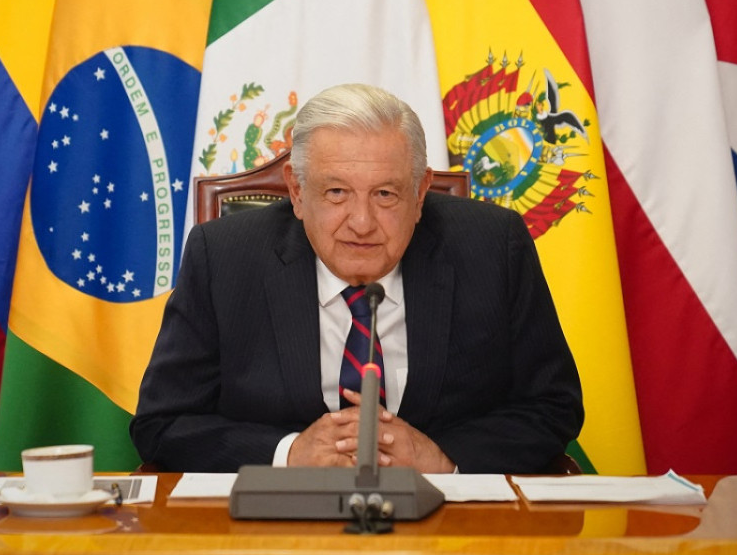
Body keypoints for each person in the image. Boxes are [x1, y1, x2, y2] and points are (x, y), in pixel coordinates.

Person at [131, 83, 583, 473]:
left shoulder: (492, 247)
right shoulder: (225, 256)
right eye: (336, 193)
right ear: (296, 190)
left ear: (421, 191)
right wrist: (289, 453)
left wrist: (444, 457)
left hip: (447, 529)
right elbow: (163, 422)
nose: (361, 222)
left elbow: (553, 406)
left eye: (386, 194)